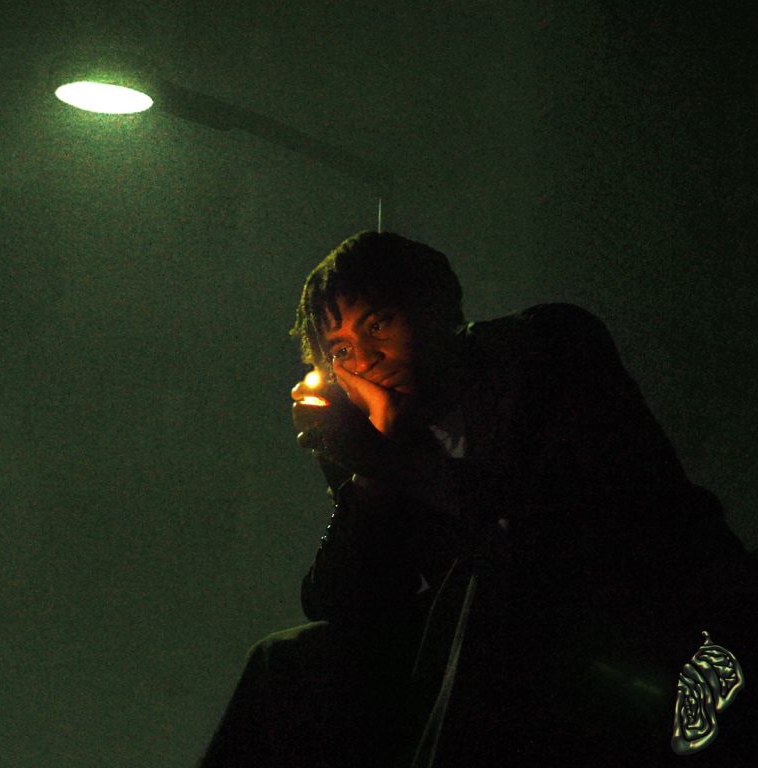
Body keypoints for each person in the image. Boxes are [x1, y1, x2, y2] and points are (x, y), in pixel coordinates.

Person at [200, 231, 758, 767]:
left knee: (481, 603)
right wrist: (369, 478)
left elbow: (554, 529)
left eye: (379, 323)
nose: (365, 358)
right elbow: (342, 603)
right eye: (341, 348)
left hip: (645, 603)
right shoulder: (370, 430)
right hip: (503, 624)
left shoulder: (545, 348)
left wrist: (395, 465)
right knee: (287, 660)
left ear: (435, 307)